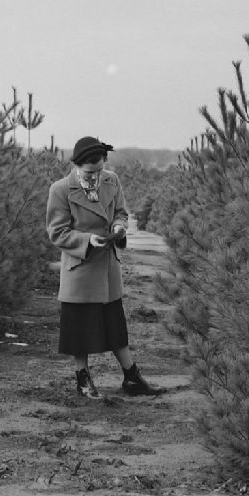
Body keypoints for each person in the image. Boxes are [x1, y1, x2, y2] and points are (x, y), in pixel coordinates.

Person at [45, 136, 160, 399]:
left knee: (115, 326)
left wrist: (119, 227)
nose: (95, 176)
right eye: (89, 172)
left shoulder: (112, 180)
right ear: (77, 165)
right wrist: (87, 240)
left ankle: (131, 377)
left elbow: (121, 212)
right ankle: (83, 379)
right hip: (80, 268)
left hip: (107, 267)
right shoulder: (60, 189)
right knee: (79, 329)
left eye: (99, 170)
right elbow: (57, 232)